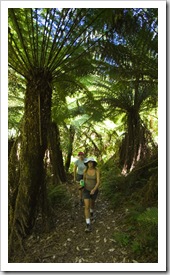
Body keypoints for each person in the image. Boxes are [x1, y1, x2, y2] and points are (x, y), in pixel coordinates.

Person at [83, 157, 100, 232]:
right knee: (86, 206)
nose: (90, 164)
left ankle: (92, 212)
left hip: (94, 190)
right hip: (86, 190)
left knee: (92, 204)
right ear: (87, 164)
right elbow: (83, 180)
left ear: (93, 163)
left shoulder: (97, 171)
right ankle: (88, 224)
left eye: (91, 162)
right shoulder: (85, 170)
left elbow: (98, 182)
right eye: (89, 162)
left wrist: (94, 189)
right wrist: (81, 185)